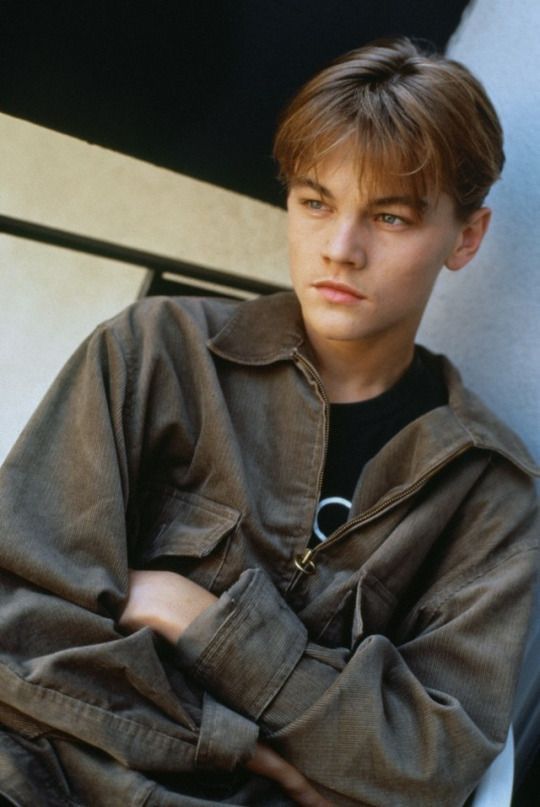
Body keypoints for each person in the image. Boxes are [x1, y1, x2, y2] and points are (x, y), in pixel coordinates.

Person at [0, 37, 538, 807]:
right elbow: (21, 620)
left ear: (467, 237)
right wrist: (265, 756)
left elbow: (428, 764)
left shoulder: (490, 493)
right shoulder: (156, 353)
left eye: (388, 217)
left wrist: (202, 620)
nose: (340, 249)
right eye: (315, 202)